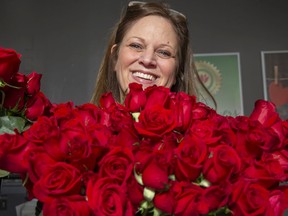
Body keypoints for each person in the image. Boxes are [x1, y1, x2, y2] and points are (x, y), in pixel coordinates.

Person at [90, 0, 214, 105]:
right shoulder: (82, 131)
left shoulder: (208, 133)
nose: (148, 59)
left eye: (164, 52)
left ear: (177, 70)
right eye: (136, 45)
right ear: (115, 58)